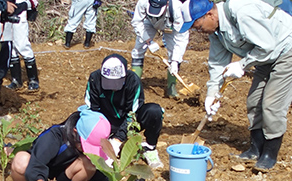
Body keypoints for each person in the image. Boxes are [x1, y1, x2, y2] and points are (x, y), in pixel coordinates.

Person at [179, 0, 292, 170]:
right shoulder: (216, 32)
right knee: (254, 102)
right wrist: (212, 94)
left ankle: (269, 154)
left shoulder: (242, 13)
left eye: (197, 25)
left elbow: (267, 46)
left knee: (271, 104)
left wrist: (242, 64)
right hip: (264, 58)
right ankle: (255, 148)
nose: (198, 30)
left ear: (209, 15)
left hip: (285, 50)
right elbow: (217, 63)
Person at [10, 109, 121, 181]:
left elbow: (99, 178)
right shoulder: (53, 137)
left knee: (90, 163)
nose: (85, 150)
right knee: (20, 160)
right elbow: (34, 170)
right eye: (84, 145)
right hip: (35, 180)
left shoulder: (83, 141)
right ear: (75, 131)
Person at [84, 53, 164, 169]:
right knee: (78, 118)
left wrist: (117, 140)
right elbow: (93, 110)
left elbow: (133, 112)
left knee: (154, 111)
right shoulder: (94, 79)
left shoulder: (133, 81)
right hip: (106, 121)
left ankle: (149, 148)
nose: (112, 87)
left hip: (128, 119)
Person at [131, 0, 189, 98]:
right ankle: (133, 86)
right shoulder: (143, 2)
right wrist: (148, 40)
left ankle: (171, 88)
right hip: (149, 22)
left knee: (173, 52)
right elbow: (137, 22)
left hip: (170, 24)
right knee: (138, 50)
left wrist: (175, 61)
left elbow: (181, 38)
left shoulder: (176, 8)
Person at [6, 0, 40, 91]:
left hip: (19, 10)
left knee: (22, 44)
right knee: (10, 46)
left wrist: (25, 5)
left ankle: (33, 80)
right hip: (4, 10)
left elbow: (34, 2)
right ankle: (16, 80)